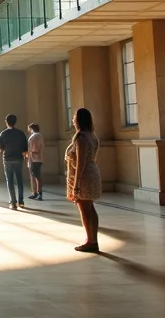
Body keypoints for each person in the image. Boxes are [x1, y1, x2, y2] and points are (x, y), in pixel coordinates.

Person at [67, 108, 103, 253]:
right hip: (92, 172)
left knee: (84, 209)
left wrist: (75, 186)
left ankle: (90, 241)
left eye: (74, 117)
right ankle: (93, 240)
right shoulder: (92, 136)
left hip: (84, 175)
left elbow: (80, 163)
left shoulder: (81, 138)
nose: (73, 120)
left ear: (79, 120)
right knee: (90, 208)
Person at [0, 114, 29, 210]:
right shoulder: (21, 133)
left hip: (7, 159)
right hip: (18, 159)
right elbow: (25, 150)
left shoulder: (3, 133)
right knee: (19, 181)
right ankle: (21, 202)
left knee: (9, 181)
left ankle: (13, 202)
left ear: (6, 122)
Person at [27, 122, 45, 201]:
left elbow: (32, 149)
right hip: (38, 158)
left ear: (31, 129)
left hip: (34, 159)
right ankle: (36, 193)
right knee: (36, 176)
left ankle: (38, 193)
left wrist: (28, 154)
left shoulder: (33, 137)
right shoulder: (40, 136)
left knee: (36, 176)